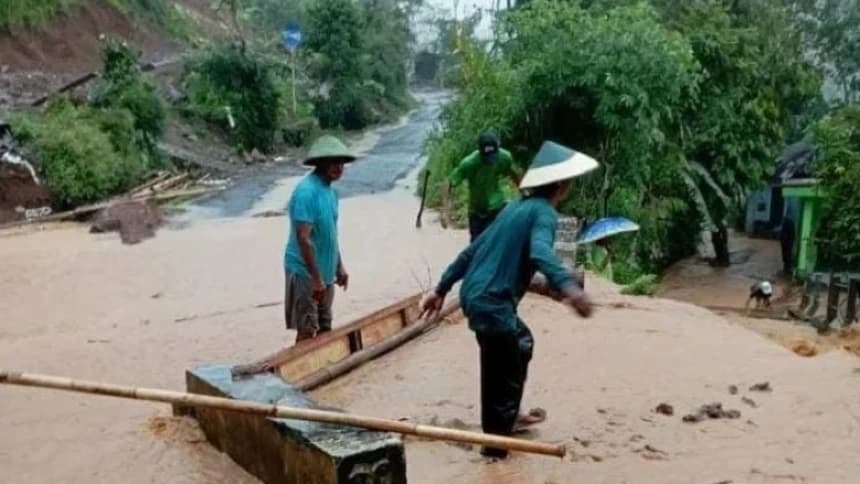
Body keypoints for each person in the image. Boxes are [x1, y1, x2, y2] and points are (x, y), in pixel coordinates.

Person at [421, 140, 598, 459]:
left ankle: (508, 419)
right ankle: (495, 452)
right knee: (500, 377)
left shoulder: (513, 208)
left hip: (476, 296)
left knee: (521, 343)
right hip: (493, 302)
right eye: (569, 181)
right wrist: (570, 287)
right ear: (561, 185)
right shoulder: (544, 212)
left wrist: (440, 289)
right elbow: (541, 252)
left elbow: (470, 252)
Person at [283, 135, 355, 345]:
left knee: (325, 328)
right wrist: (316, 279)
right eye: (333, 162)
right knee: (307, 330)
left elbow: (330, 233)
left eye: (341, 162)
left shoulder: (331, 193)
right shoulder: (306, 192)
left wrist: (339, 267)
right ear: (319, 163)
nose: (338, 167)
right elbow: (303, 239)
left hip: (326, 273)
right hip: (306, 272)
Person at [441, 132, 521, 241]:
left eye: (493, 156)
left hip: (497, 207)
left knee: (499, 242)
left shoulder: (504, 157)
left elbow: (514, 174)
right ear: (480, 152)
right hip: (476, 211)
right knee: (476, 247)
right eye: (487, 158)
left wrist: (525, 193)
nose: (491, 162)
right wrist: (445, 211)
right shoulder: (469, 163)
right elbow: (448, 183)